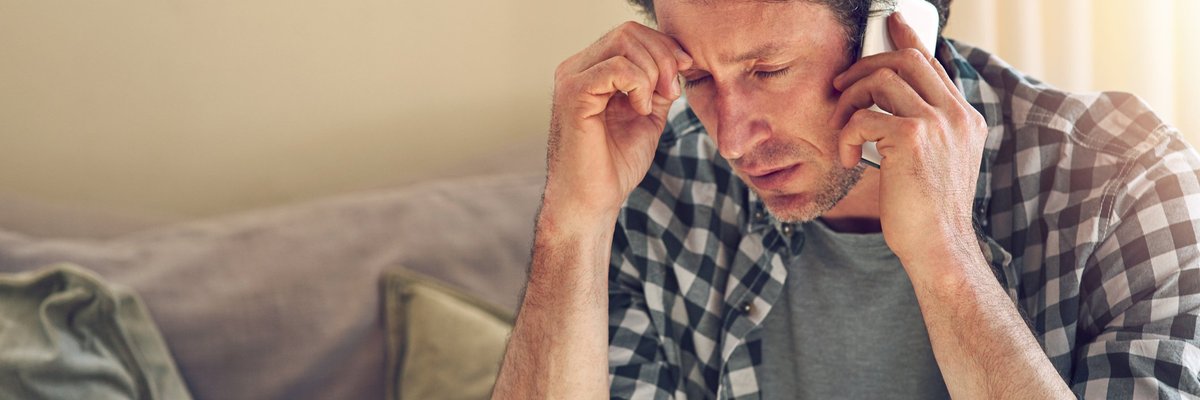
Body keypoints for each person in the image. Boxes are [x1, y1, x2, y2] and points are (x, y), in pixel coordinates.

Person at [492, 0, 1200, 398]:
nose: (732, 138)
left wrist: (946, 255)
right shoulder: (663, 187)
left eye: (767, 70)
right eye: (700, 79)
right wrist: (572, 224)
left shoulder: (1124, 183)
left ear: (897, 35)